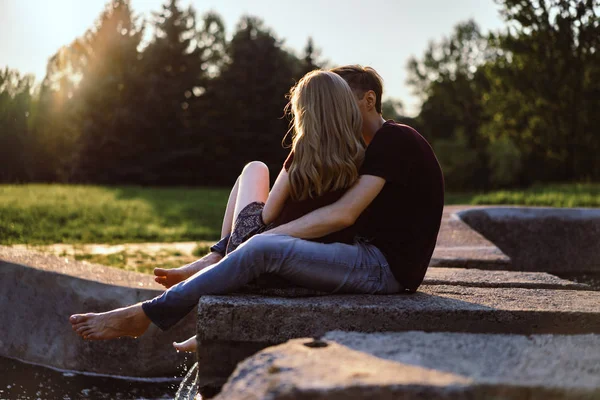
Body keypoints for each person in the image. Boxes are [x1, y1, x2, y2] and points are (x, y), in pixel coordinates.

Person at [69, 65, 444, 342]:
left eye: (342, 102)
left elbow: (343, 214)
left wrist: (264, 239)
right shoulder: (365, 149)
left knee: (264, 246)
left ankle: (149, 313)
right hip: (363, 257)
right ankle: (217, 266)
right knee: (264, 244)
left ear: (367, 101)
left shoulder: (394, 141)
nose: (338, 111)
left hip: (381, 269)